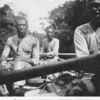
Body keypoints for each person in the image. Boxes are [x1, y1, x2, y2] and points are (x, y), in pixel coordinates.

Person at [0, 16, 39, 95]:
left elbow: (35, 60)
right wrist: (3, 62)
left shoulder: (34, 40)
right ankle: (4, 91)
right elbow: (4, 56)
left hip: (28, 67)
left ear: (27, 26)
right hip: (14, 65)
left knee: (19, 63)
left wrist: (21, 59)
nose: (21, 27)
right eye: (19, 25)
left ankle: (16, 87)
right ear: (16, 27)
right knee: (2, 65)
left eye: (24, 25)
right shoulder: (10, 40)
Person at [74, 0, 100, 95]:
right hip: (89, 75)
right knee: (90, 91)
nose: (99, 8)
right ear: (89, 9)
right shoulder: (81, 30)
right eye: (95, 6)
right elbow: (84, 60)